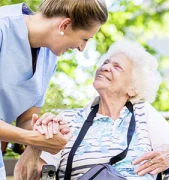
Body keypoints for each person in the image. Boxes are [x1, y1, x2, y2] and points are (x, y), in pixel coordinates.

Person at [15, 40, 169, 180]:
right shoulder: (67, 119)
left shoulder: (142, 113)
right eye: (106, 62)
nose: (106, 67)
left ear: (133, 88)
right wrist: (36, 144)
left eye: (117, 67)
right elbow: (33, 175)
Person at [0, 0, 108, 179]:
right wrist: (31, 139)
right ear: (65, 25)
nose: (82, 48)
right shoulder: (3, 28)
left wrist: (47, 129)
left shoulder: (49, 57)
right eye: (84, 39)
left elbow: (26, 119)